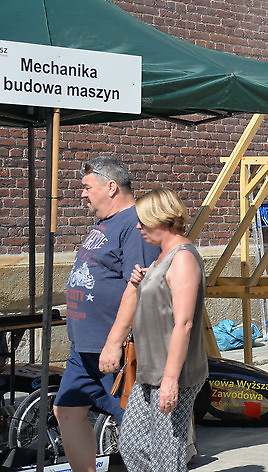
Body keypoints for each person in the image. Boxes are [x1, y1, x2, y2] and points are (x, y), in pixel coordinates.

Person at [54, 157, 159, 472]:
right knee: (66, 411)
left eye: (87, 187)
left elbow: (137, 287)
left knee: (135, 425)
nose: (82, 194)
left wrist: (114, 343)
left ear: (111, 187)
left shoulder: (135, 225)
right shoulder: (106, 223)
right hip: (85, 348)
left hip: (115, 350)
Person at [100, 188, 207, 472]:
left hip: (174, 373)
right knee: (132, 445)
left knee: (166, 455)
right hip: (149, 371)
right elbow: (161, 295)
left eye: (143, 221)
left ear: (162, 219)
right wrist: (142, 281)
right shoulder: (163, 258)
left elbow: (183, 323)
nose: (138, 227)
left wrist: (171, 380)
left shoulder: (183, 258)